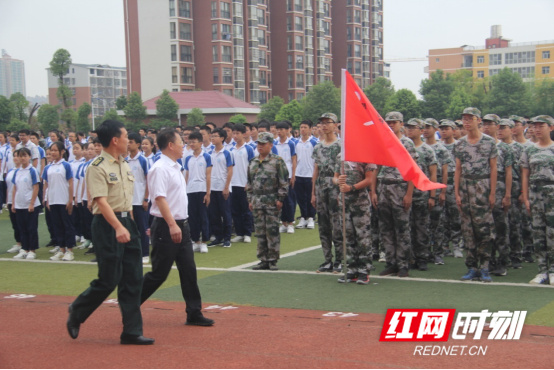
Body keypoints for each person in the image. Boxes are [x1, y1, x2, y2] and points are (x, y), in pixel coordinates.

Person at [66, 120, 154, 345]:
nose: (129, 141)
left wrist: (129, 225)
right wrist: (118, 227)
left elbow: (126, 200)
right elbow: (101, 202)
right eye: (125, 137)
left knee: (133, 278)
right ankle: (78, 310)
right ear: (115, 140)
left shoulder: (124, 163)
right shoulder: (97, 166)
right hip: (107, 226)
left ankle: (132, 332)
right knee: (109, 279)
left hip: (128, 223)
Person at [141, 128, 214, 326]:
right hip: (167, 226)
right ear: (170, 145)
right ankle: (129, 302)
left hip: (182, 224)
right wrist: (172, 225)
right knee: (159, 274)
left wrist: (180, 225)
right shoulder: (159, 168)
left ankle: (194, 312)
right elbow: (159, 198)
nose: (185, 145)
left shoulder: (176, 166)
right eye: (181, 142)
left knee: (189, 269)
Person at [372, 112, 418, 278]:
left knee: (402, 229)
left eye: (394, 122)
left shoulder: (407, 143)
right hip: (384, 188)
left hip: (400, 188)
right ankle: (391, 263)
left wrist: (409, 194)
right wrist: (373, 191)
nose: (391, 125)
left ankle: (403, 264)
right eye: (388, 122)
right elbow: (375, 169)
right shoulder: (381, 142)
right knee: (386, 228)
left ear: (401, 124)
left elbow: (413, 171)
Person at [455, 108, 498, 283]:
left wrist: (493, 192)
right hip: (465, 186)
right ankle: (472, 267)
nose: (466, 122)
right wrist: (456, 192)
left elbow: (494, 168)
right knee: (468, 229)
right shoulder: (460, 144)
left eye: (470, 118)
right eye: (464, 118)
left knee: (485, 229)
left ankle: (485, 266)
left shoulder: (489, 142)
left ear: (478, 120)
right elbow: (458, 169)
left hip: (483, 185)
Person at [247, 132, 289, 270]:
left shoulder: (277, 161)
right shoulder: (253, 162)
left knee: (272, 230)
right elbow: (249, 182)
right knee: (259, 231)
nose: (260, 146)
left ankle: (272, 259)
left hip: (271, 199)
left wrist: (280, 198)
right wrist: (250, 199)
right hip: (257, 199)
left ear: (271, 145)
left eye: (263, 144)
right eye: (258, 143)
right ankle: (263, 259)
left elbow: (283, 181)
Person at [520, 115, 554, 285]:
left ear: (551, 128)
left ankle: (553, 270)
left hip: (552, 193)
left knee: (552, 233)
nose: (538, 129)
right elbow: (525, 175)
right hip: (535, 193)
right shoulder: (529, 149)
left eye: (542, 126)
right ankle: (542, 271)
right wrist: (526, 197)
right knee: (538, 233)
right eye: (535, 126)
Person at [333, 154, 376, 284]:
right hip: (345, 203)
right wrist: (338, 181)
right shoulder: (341, 156)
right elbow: (334, 177)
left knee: (362, 237)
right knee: (348, 236)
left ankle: (364, 271)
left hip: (360, 202)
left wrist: (351, 188)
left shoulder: (365, 155)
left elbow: (369, 179)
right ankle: (351, 269)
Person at [481, 114, 514, 277]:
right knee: (485, 229)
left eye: (490, 124)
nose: (486, 127)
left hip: (500, 187)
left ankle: (502, 262)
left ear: (497, 126)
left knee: (500, 227)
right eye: (484, 124)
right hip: (483, 188)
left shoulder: (505, 148)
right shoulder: (480, 145)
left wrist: (508, 195)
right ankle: (488, 261)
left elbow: (508, 173)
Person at [312, 113, 343, 273]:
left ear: (335, 124)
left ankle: (340, 259)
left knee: (337, 225)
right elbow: (316, 169)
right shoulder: (318, 147)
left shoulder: (341, 146)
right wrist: (313, 192)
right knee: (323, 225)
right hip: (321, 186)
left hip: (335, 187)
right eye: (322, 123)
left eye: (327, 122)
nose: (324, 126)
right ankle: (327, 260)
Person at [405, 118, 437, 271]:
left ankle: (422, 257)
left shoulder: (427, 150)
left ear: (420, 130)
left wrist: (432, 195)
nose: (410, 130)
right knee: (407, 227)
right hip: (406, 193)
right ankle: (410, 257)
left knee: (421, 227)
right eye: (408, 127)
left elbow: (433, 173)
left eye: (413, 127)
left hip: (422, 194)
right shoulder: (403, 148)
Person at [423, 118, 451, 264]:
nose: (425, 130)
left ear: (435, 129)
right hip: (422, 188)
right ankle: (425, 251)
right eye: (424, 127)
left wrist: (442, 192)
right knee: (423, 223)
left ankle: (438, 252)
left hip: (436, 185)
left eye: (429, 127)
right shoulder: (418, 146)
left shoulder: (441, 149)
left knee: (437, 222)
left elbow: (445, 172)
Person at [44, 142, 76, 261]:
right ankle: (61, 249)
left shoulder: (66, 165)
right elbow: (47, 185)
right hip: (53, 200)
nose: (53, 153)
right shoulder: (48, 167)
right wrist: (47, 200)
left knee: (67, 225)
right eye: (51, 150)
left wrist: (70, 199)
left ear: (62, 152)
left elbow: (71, 183)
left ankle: (70, 250)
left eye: (55, 150)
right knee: (57, 226)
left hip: (64, 200)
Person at [438, 120, 463, 258]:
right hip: (442, 181)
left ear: (453, 130)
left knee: (455, 215)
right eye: (441, 129)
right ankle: (445, 244)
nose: (443, 131)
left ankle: (457, 244)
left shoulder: (459, 146)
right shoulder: (439, 146)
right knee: (442, 216)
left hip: (454, 181)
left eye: (446, 128)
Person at [184, 131, 212, 253]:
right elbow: (186, 175)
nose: (192, 144)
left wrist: (208, 193)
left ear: (200, 143)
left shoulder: (206, 156)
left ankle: (204, 241)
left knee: (203, 216)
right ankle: (196, 241)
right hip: (190, 190)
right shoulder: (188, 157)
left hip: (202, 189)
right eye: (190, 142)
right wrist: (183, 191)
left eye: (194, 142)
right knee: (192, 217)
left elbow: (208, 175)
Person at [11, 148, 41, 260]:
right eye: (20, 156)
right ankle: (24, 248)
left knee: (31, 228)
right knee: (22, 228)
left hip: (30, 205)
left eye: (25, 156)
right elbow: (15, 188)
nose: (22, 158)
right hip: (19, 205)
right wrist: (13, 203)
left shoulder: (32, 170)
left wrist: (32, 203)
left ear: (29, 157)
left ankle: (32, 250)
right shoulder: (17, 171)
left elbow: (36, 187)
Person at [207, 128, 233, 248]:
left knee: (226, 213)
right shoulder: (209, 153)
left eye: (215, 136)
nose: (212, 138)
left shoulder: (227, 153)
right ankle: (218, 237)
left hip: (223, 187)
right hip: (212, 188)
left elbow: (230, 170)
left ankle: (227, 238)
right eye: (211, 136)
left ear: (222, 138)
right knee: (214, 214)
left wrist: (226, 187)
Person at [126, 132, 150, 264]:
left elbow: (148, 180)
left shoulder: (143, 160)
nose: (128, 144)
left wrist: (146, 199)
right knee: (130, 227)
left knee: (142, 227)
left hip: (140, 200)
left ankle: (145, 253)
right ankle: (134, 252)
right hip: (128, 201)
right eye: (127, 141)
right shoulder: (125, 160)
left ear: (138, 144)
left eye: (131, 142)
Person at [229, 124, 255, 244]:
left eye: (237, 133)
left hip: (244, 183)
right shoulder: (231, 149)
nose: (235, 136)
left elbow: (252, 167)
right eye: (233, 133)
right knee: (235, 210)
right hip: (233, 184)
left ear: (243, 134)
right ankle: (239, 233)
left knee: (246, 210)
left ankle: (247, 233)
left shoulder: (248, 149)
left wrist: (249, 182)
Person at [274, 121, 297, 233]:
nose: (279, 132)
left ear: (287, 130)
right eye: (277, 130)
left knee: (289, 200)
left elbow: (293, 159)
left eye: (281, 130)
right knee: (279, 200)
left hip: (287, 175)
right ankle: (283, 223)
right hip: (277, 175)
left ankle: (291, 223)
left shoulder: (291, 143)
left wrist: (293, 175)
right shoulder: (274, 143)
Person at [294, 120, 317, 229]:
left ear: (310, 129)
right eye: (301, 127)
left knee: (310, 197)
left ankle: (311, 218)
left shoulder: (314, 142)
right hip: (299, 174)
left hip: (310, 174)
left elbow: (317, 160)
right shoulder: (296, 142)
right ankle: (303, 217)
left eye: (305, 127)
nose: (302, 129)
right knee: (300, 198)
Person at [6, 150, 22, 254]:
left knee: (22, 224)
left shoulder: (24, 171)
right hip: (11, 200)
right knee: (15, 224)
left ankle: (25, 244)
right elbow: (8, 187)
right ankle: (18, 243)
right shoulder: (11, 171)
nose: (16, 158)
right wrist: (8, 200)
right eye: (14, 156)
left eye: (18, 156)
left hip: (20, 201)